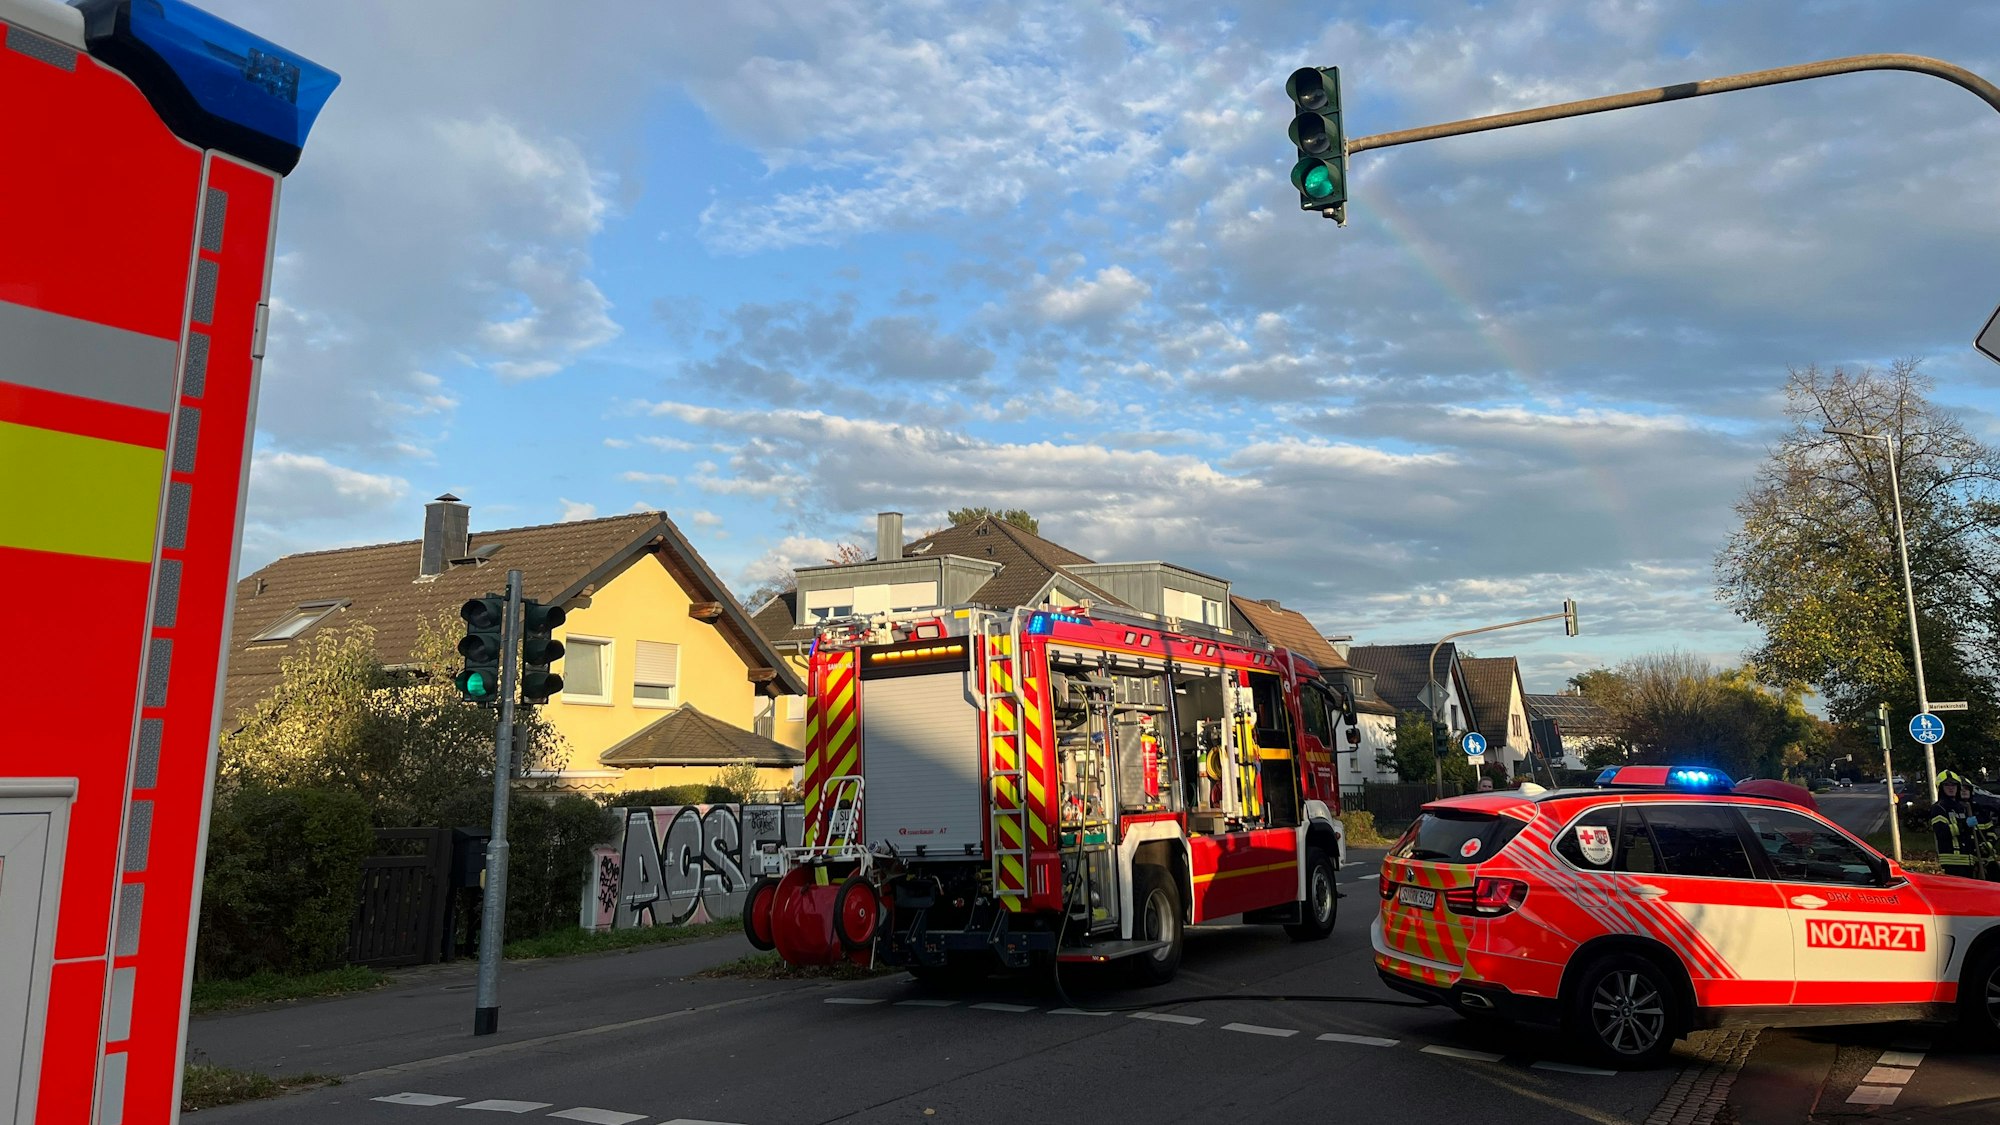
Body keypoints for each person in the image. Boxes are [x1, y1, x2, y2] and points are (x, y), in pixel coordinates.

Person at [1931, 770, 1991, 879]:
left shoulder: (1962, 807)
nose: (1951, 788)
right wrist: (1964, 825)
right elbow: (1941, 832)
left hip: (1969, 861)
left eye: (1954, 785)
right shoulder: (1939, 808)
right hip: (1952, 862)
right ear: (1941, 787)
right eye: (1947, 785)